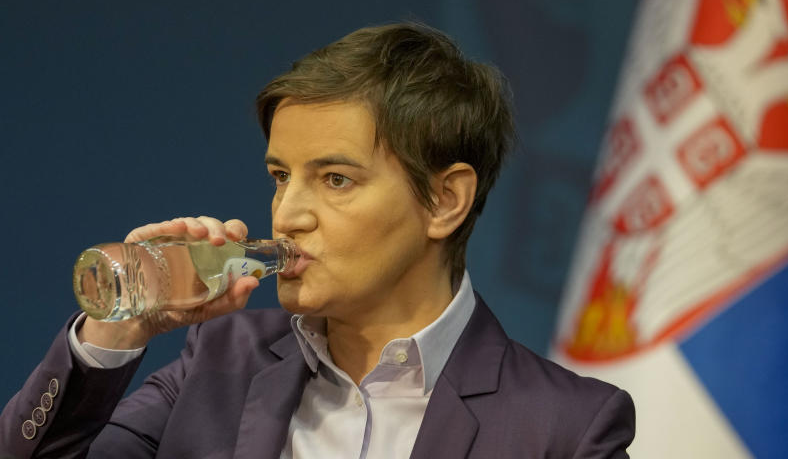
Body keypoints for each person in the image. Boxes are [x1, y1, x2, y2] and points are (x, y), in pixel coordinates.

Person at [1, 23, 635, 458]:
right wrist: (118, 330)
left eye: (335, 179)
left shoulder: (567, 427)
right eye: (281, 177)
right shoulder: (219, 362)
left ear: (445, 200)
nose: (288, 215)